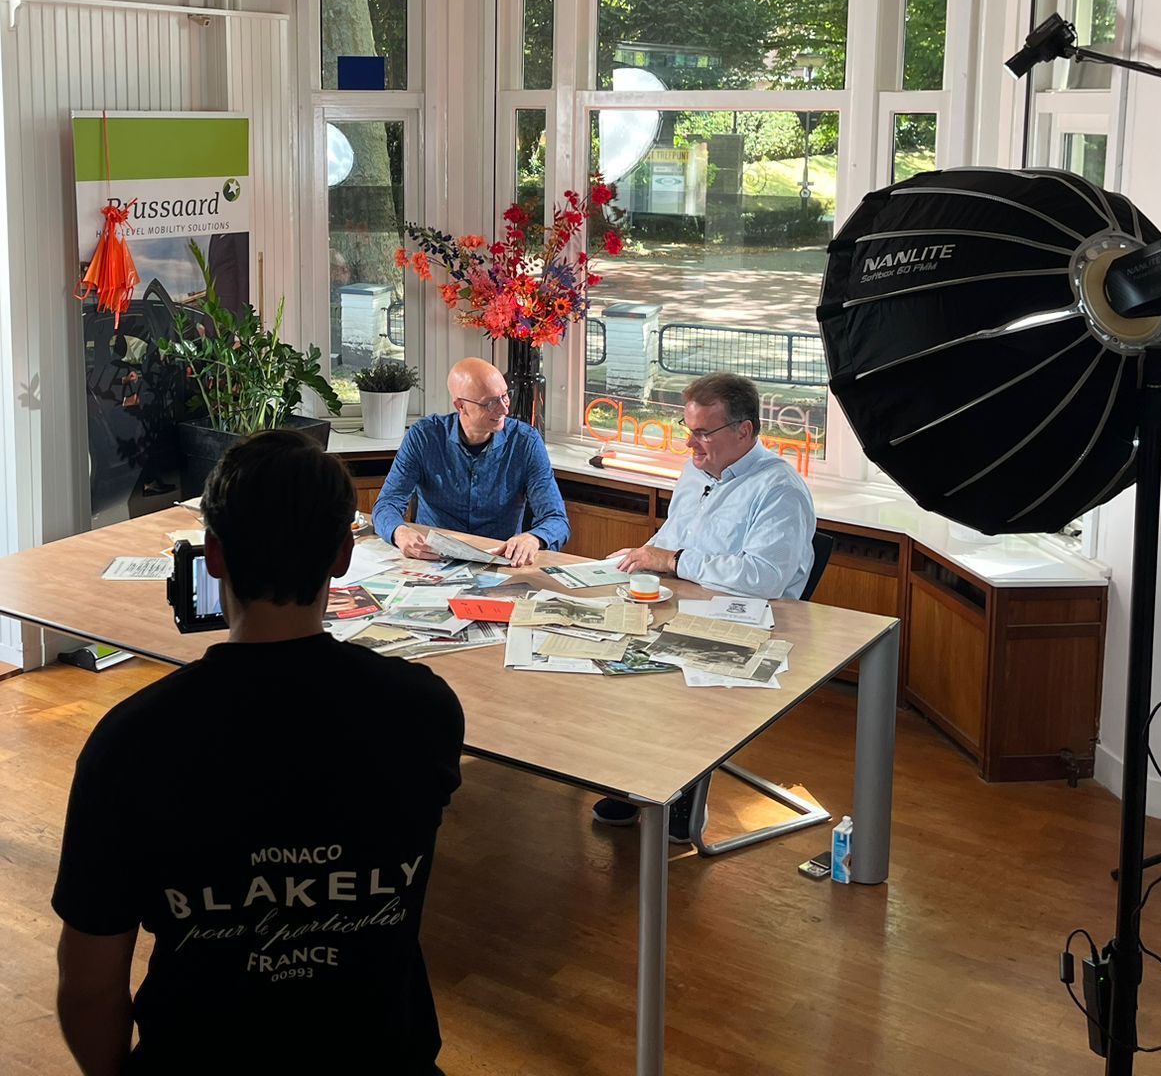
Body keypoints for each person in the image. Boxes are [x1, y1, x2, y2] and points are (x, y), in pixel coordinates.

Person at [52, 430, 465, 1075]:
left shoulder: (131, 742)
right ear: (342, 557)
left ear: (213, 555)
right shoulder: (424, 712)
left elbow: (88, 990)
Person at [595, 372, 817, 835]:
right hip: (683, 605)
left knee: (663, 675)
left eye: (702, 433)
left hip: (752, 624)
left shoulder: (779, 490)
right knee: (606, 653)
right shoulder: (697, 472)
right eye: (687, 430)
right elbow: (673, 541)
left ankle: (680, 784)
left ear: (744, 431)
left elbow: (763, 578)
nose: (690, 445)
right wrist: (640, 556)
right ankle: (634, 776)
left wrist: (672, 560)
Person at [369, 356, 569, 565]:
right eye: (491, 403)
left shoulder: (526, 442)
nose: (504, 409)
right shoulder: (424, 436)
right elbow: (386, 505)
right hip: (432, 561)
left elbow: (556, 519)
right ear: (461, 406)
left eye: (505, 396)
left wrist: (533, 538)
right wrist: (399, 533)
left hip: (499, 565)